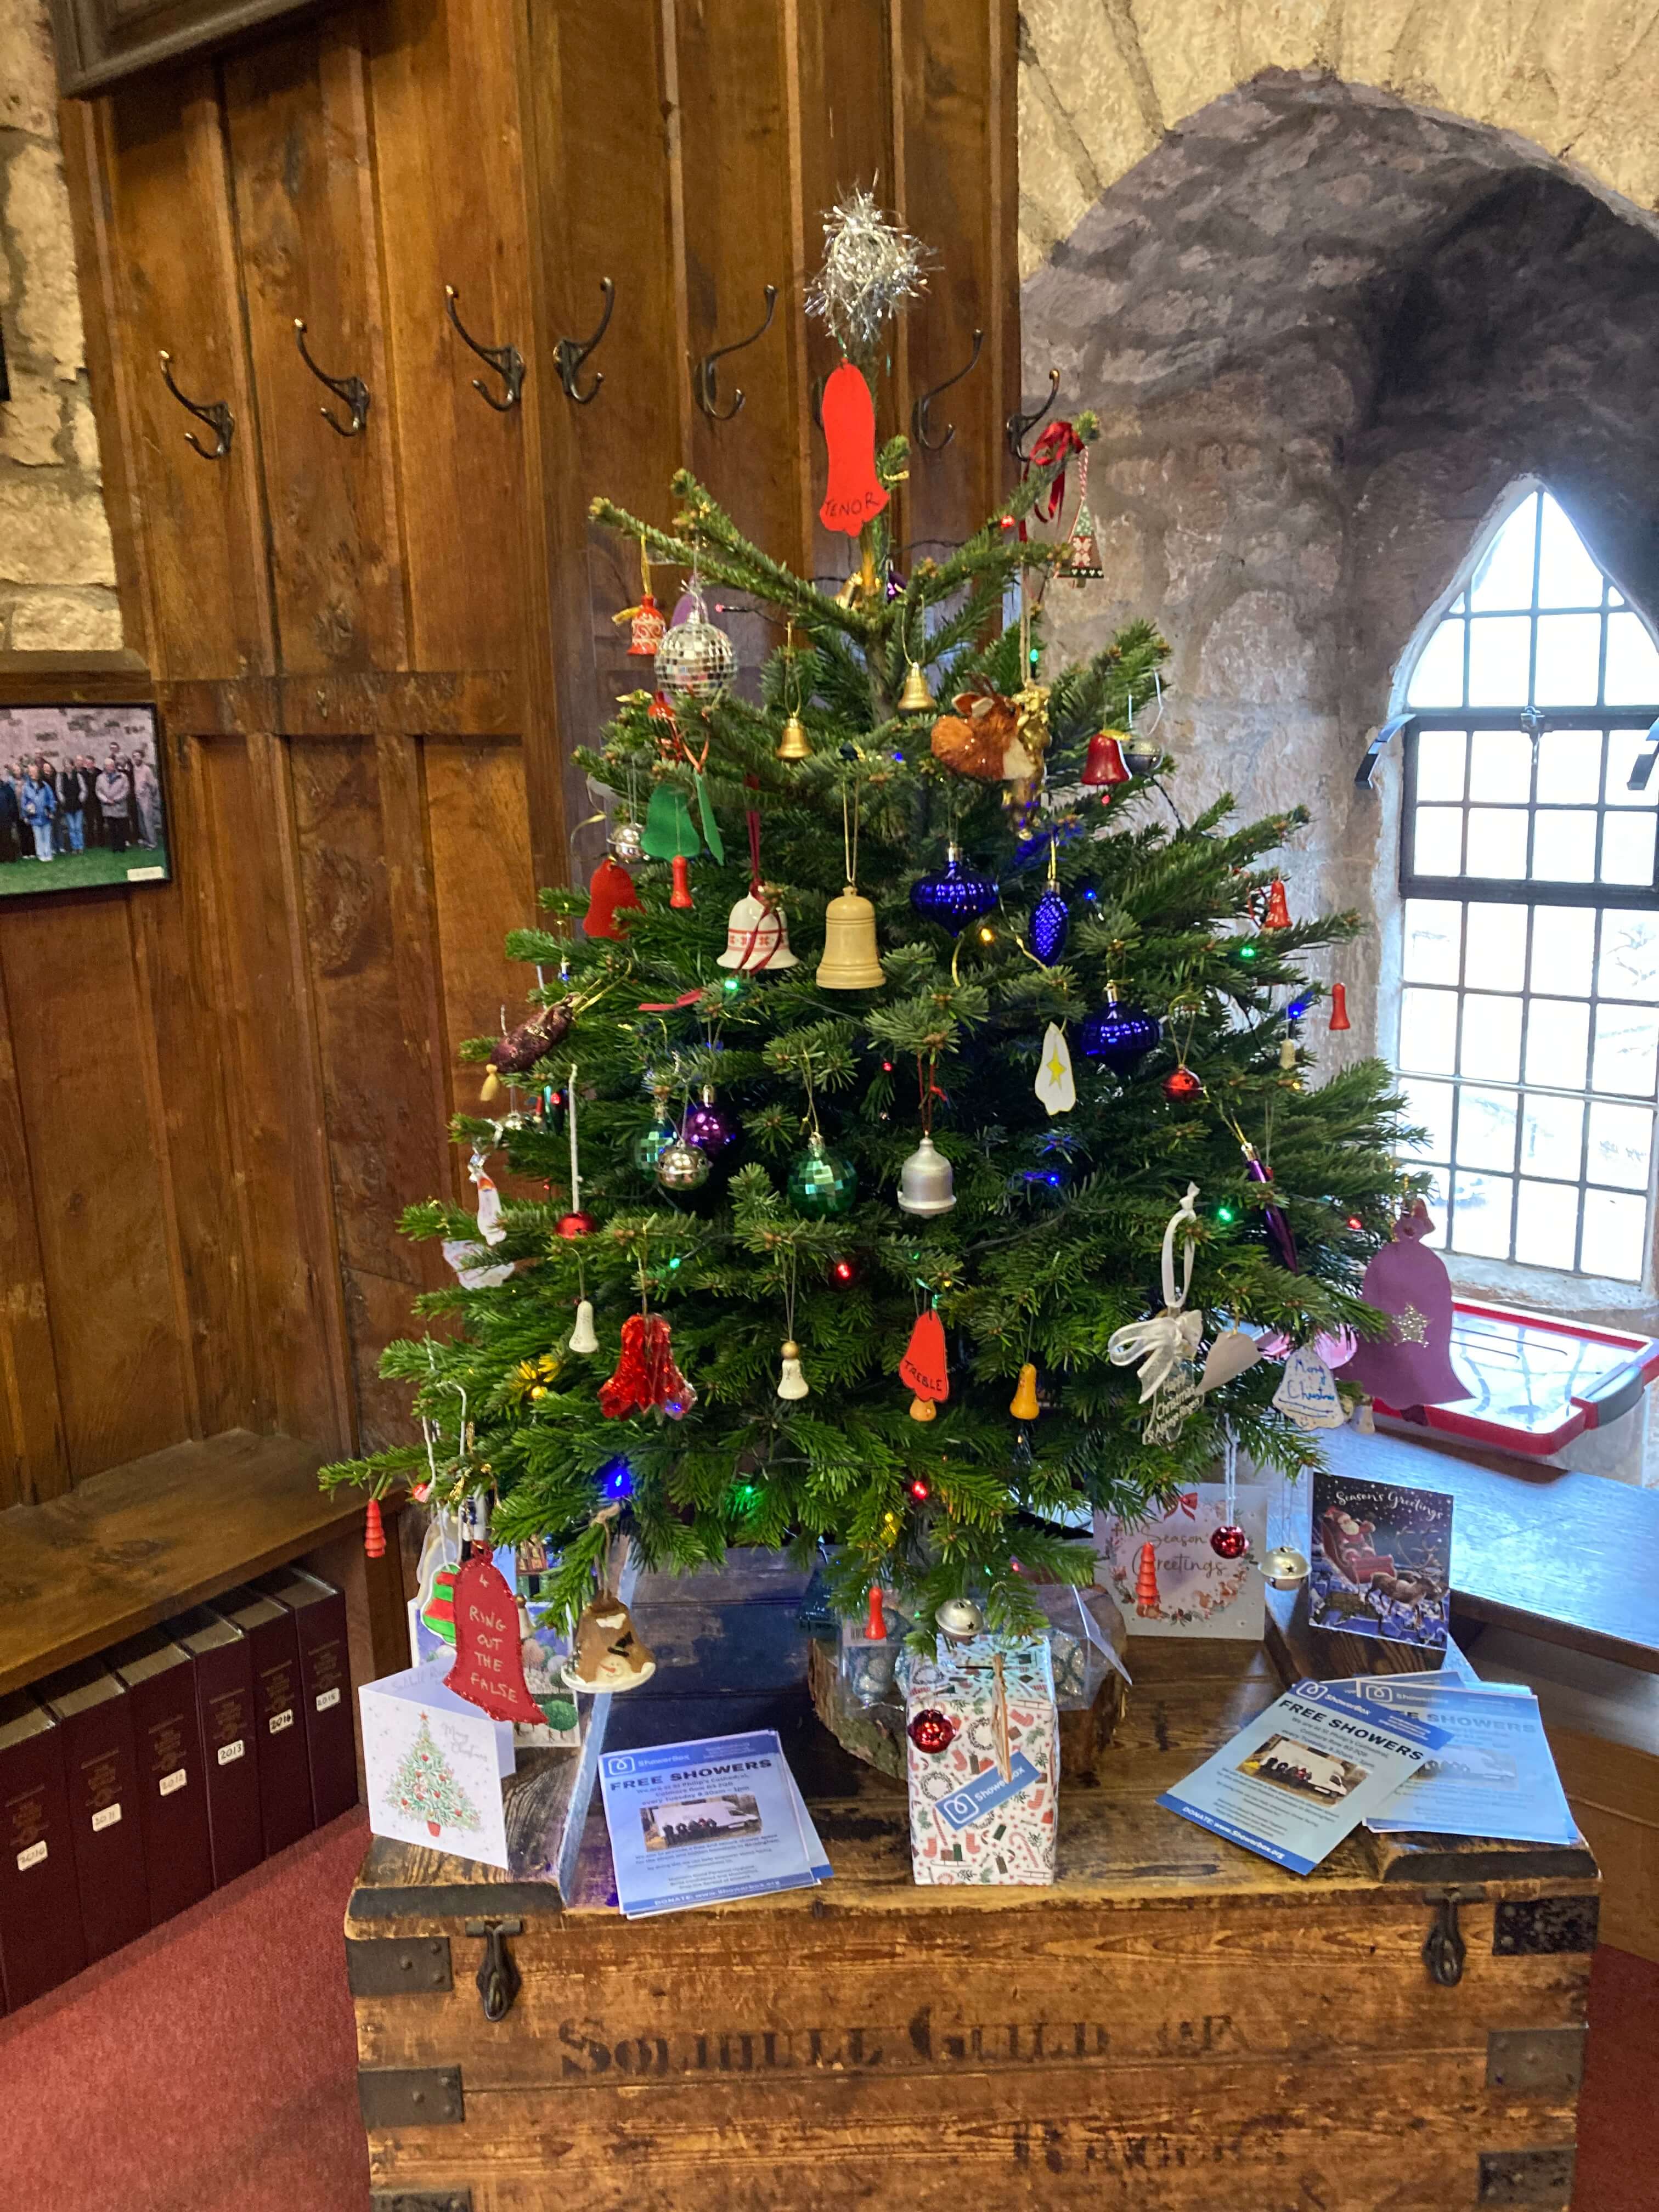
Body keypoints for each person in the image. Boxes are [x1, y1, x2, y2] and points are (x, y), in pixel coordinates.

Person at [20, 759, 56, 860]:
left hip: (45, 815)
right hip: (34, 816)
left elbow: (51, 798)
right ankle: (41, 854)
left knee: (47, 836)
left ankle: (48, 853)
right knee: (38, 837)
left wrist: (51, 810)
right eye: (31, 772)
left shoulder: (45, 785)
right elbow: (24, 802)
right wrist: (26, 813)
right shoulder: (27, 787)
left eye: (34, 772)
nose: (33, 774)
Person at [95, 754, 131, 854]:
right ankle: (114, 847)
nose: (109, 767)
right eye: (107, 766)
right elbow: (98, 791)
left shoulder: (123, 777)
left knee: (121, 828)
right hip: (108, 807)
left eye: (110, 765)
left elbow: (126, 790)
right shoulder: (100, 778)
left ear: (114, 766)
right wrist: (107, 800)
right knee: (112, 829)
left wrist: (116, 799)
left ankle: (122, 847)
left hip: (120, 807)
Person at [55, 758, 86, 855]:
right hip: (67, 806)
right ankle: (74, 847)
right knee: (71, 828)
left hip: (78, 805)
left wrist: (81, 799)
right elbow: (59, 790)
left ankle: (80, 847)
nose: (67, 767)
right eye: (65, 765)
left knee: (78, 827)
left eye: (69, 764)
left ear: (73, 766)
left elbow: (83, 789)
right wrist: (63, 800)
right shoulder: (60, 776)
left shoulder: (78, 776)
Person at [131, 752, 161, 849]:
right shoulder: (133, 769)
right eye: (135, 757)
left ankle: (153, 843)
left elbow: (153, 785)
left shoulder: (147, 770)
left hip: (146, 798)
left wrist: (149, 795)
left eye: (138, 757)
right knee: (141, 821)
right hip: (136, 798)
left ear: (142, 758)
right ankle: (146, 840)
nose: (136, 759)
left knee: (148, 820)